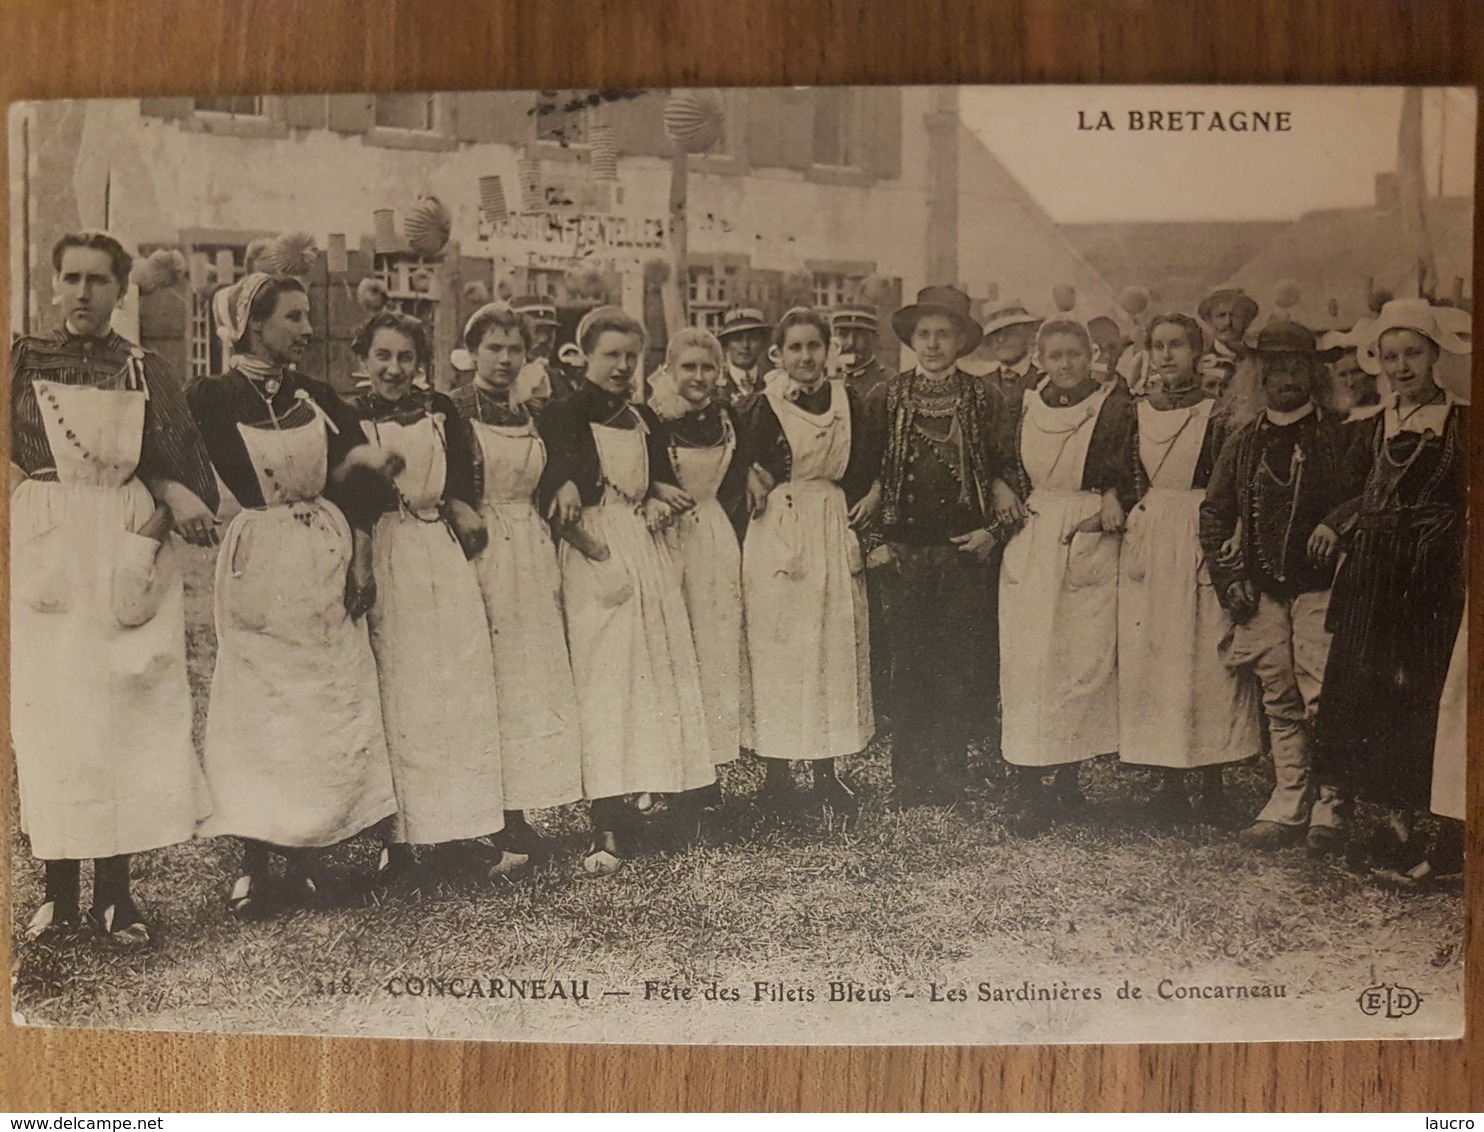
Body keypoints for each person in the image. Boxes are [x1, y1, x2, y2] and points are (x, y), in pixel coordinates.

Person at [11, 231, 220, 947]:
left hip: (126, 550)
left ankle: (117, 896)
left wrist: (156, 521)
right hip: (48, 548)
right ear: (53, 282)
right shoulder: (20, 361)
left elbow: (188, 472)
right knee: (56, 723)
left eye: (99, 280)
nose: (82, 293)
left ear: (121, 290)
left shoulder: (143, 369)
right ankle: (58, 896)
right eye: (70, 277)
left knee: (122, 717)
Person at [186, 273, 399, 917]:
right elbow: (179, 460)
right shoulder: (212, 396)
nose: (308, 329)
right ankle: (253, 864)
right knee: (259, 706)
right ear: (254, 325)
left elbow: (361, 481)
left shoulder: (318, 395)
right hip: (260, 558)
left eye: (307, 317)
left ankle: (305, 858)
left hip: (324, 554)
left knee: (317, 703)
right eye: (295, 318)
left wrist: (360, 555)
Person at [538, 306, 716, 874]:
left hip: (643, 548)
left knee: (654, 674)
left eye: (630, 358)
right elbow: (554, 477)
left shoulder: (642, 417)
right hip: (595, 551)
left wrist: (660, 493)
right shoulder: (562, 413)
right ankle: (607, 818)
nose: (621, 367)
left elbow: (651, 476)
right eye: (610, 355)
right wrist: (569, 492)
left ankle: (657, 795)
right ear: (584, 356)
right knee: (605, 681)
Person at [349, 312, 514, 886]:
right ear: (365, 361)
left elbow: (465, 483)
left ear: (420, 364)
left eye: (405, 359)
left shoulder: (443, 412)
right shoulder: (348, 417)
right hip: (388, 551)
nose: (394, 369)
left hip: (441, 553)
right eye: (382, 357)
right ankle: (397, 841)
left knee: (455, 689)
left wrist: (462, 510)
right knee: (401, 690)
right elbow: (349, 497)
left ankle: (458, 830)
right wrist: (361, 560)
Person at [1314, 299, 1469, 873]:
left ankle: (1435, 827)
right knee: (1366, 691)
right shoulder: (1370, 426)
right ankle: (1392, 822)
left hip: (1432, 577)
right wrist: (1336, 521)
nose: (1401, 367)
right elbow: (1355, 493)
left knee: (1421, 690)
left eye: (1414, 355)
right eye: (1390, 357)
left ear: (1435, 356)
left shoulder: (1462, 422)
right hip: (1373, 576)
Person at [1198, 320, 1355, 852]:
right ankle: (1288, 798)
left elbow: (1365, 497)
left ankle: (1331, 804)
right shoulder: (1243, 442)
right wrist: (1229, 579)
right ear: (1257, 376)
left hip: (1321, 588)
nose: (1286, 377)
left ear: (1314, 374)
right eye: (1275, 368)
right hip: (1261, 589)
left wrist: (1336, 522)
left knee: (1320, 691)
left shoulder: (1340, 435)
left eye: (1297, 366)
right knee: (1279, 694)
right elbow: (1215, 514)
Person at [868, 286, 1018, 807]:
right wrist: (876, 542)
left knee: (958, 665)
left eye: (943, 334)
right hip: (903, 551)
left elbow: (1012, 470)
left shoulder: (986, 398)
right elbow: (860, 476)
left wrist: (991, 532)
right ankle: (908, 779)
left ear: (960, 341)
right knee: (906, 664)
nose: (932, 345)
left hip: (963, 551)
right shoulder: (885, 396)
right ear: (911, 339)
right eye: (924, 334)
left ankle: (952, 775)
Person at [448, 304, 585, 869]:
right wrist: (461, 507)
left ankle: (516, 813)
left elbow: (560, 467)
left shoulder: (536, 413)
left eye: (514, 350)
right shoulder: (453, 412)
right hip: (477, 552)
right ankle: (478, 816)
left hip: (529, 549)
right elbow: (444, 479)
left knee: (527, 684)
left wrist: (569, 479)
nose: (504, 360)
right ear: (473, 352)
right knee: (485, 680)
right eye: (493, 349)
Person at [1118, 313, 1260, 823]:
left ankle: (1213, 781)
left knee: (1205, 655)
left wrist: (1234, 533)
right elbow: (1126, 478)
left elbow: (1238, 487)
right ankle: (1168, 782)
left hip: (1201, 534)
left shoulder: (1219, 416)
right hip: (1151, 535)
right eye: (1158, 346)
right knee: (1156, 655)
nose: (1166, 355)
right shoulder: (1135, 413)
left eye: (1177, 345)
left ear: (1197, 354)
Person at [998, 317, 1136, 834]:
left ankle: (1069, 778)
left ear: (1090, 355)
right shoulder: (1022, 404)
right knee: (1031, 660)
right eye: (1054, 356)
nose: (1065, 364)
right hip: (1034, 531)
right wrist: (1001, 487)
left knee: (1080, 655)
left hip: (1086, 533)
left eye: (1074, 354)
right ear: (1040, 359)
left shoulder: (1114, 406)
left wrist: (1110, 494)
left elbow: (1126, 467)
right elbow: (1000, 458)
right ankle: (1029, 783)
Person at [739, 307, 879, 815]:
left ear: (829, 350)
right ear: (778, 354)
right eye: (794, 347)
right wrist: (750, 479)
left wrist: (876, 491)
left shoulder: (850, 402)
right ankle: (777, 775)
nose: (805, 357)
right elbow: (738, 460)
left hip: (830, 521)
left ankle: (826, 772)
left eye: (814, 346)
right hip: (778, 528)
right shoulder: (761, 404)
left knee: (831, 645)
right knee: (779, 646)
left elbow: (869, 461)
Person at [650, 328, 752, 790]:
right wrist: (655, 489)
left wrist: (754, 477)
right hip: (666, 538)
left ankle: (708, 770)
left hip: (712, 535)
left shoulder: (728, 416)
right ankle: (663, 770)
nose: (698, 376)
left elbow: (744, 466)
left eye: (707, 367)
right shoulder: (651, 419)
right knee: (670, 648)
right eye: (688, 367)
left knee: (714, 646)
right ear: (670, 371)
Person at [972, 300, 1044, 430]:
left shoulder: (1044, 381)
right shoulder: (980, 385)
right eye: (995, 334)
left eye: (1009, 331)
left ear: (1028, 333)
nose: (1000, 340)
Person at [512, 294, 582, 402]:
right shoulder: (503, 382)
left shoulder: (561, 379)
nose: (543, 339)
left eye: (549, 331)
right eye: (535, 331)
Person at [1196, 286, 1259, 405]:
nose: (1228, 323)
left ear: (1246, 320)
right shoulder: (1198, 363)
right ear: (1210, 320)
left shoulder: (1259, 360)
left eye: (1235, 316)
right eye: (1221, 316)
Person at [716, 307, 773, 404]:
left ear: (763, 343)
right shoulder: (716, 390)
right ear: (726, 344)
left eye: (753, 338)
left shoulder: (773, 384)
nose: (745, 345)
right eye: (737, 339)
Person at [832, 304, 888, 398]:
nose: (851, 343)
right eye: (843, 334)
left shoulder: (888, 383)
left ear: (874, 339)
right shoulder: (830, 383)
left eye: (860, 335)